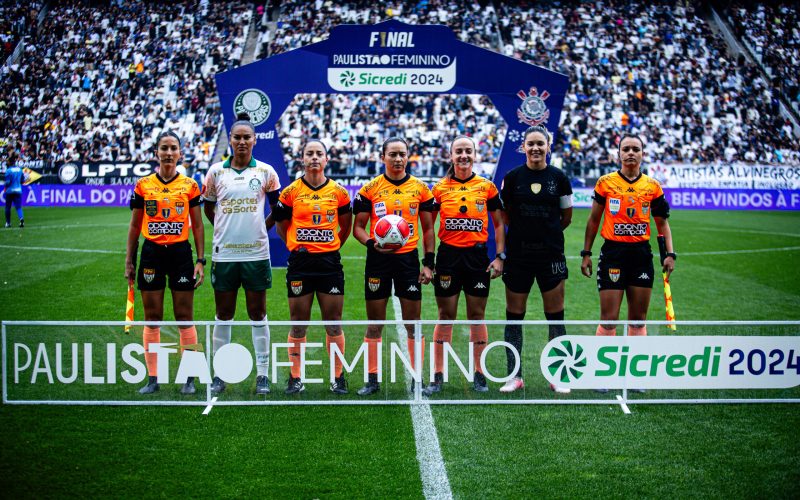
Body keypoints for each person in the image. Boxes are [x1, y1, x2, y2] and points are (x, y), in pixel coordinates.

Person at [580, 134, 675, 393]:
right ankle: (603, 374)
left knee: (638, 320)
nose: (631, 153)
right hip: (613, 254)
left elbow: (662, 223)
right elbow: (593, 220)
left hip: (641, 256)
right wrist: (586, 253)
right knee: (609, 318)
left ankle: (636, 374)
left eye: (635, 149)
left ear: (642, 153)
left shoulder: (653, 186)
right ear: (619, 153)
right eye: (626, 149)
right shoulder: (605, 183)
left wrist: (670, 254)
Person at [203, 113, 281, 395]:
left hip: (256, 254)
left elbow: (278, 209)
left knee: (257, 313)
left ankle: (263, 375)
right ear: (231, 140)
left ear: (255, 140)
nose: (242, 142)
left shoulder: (266, 172)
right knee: (223, 314)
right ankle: (220, 374)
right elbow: (209, 208)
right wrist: (224, 228)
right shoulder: (215, 172)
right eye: (237, 137)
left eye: (247, 137)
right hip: (224, 254)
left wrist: (261, 228)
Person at [352, 137, 435, 396]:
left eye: (402, 154)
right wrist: (371, 244)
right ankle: (372, 379)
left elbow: (428, 228)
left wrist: (428, 263)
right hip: (378, 260)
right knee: (375, 322)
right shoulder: (369, 189)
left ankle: (416, 377)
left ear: (408, 156)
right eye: (392, 154)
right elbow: (358, 228)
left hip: (408, 260)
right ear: (383, 157)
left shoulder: (421, 189)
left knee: (413, 323)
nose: (398, 159)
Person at [424, 136, 506, 395]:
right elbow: (428, 227)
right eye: (458, 151)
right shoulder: (439, 188)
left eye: (468, 151)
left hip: (476, 258)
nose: (463, 155)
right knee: (445, 315)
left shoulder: (487, 187)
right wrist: (428, 262)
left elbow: (499, 224)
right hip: (448, 257)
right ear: (451, 155)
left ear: (475, 154)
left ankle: (479, 374)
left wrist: (500, 256)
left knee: (477, 315)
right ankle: (437, 375)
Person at [125, 131, 205, 395]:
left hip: (181, 254)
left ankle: (189, 378)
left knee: (185, 317)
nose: (169, 153)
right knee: (152, 318)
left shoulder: (190, 185)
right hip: (152, 253)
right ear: (156, 152)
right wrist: (129, 260)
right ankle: (153, 379)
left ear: (180, 153)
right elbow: (135, 226)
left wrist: (200, 260)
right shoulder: (143, 185)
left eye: (173, 148)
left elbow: (198, 226)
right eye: (164, 148)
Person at [273, 140, 352, 395]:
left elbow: (346, 226)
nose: (315, 157)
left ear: (327, 159)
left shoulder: (339, 192)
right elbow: (281, 226)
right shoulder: (290, 192)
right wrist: (295, 246)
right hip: (301, 264)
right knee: (298, 323)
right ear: (302, 159)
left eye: (319, 154)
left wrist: (331, 246)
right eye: (310, 154)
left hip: (329, 264)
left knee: (334, 323)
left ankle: (338, 377)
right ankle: (295, 377)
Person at [500, 125, 573, 394]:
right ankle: (514, 376)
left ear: (548, 146)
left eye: (540, 144)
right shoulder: (512, 178)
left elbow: (567, 217)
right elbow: (505, 215)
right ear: (523, 147)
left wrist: (547, 235)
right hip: (519, 256)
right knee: (514, 316)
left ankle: (558, 375)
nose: (535, 148)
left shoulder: (559, 178)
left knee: (555, 316)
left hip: (550, 255)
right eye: (530, 144)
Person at [3, 151, 25, 228]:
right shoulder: (20, 170)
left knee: (8, 207)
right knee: (18, 207)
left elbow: (8, 182)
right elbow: (22, 181)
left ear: (10, 162)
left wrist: (5, 186)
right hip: (18, 190)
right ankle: (21, 219)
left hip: (10, 191)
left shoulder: (8, 171)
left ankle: (8, 223)